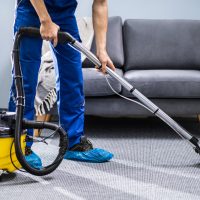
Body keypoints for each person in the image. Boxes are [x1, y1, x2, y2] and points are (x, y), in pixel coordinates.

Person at [9, 0, 115, 169]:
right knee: (25, 79)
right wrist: (45, 20)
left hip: (64, 13)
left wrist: (101, 49)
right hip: (31, 9)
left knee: (72, 77)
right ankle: (20, 145)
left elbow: (101, 3)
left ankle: (73, 143)